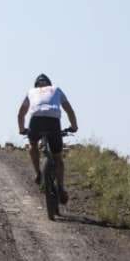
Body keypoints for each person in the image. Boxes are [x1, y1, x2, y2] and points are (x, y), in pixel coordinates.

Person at [17, 74, 79, 203]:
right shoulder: (56, 89)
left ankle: (38, 173)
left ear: (36, 85)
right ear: (49, 83)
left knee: (33, 144)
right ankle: (61, 188)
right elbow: (69, 110)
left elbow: (21, 113)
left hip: (36, 120)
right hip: (53, 122)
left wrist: (22, 129)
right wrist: (74, 127)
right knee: (58, 158)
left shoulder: (31, 91)